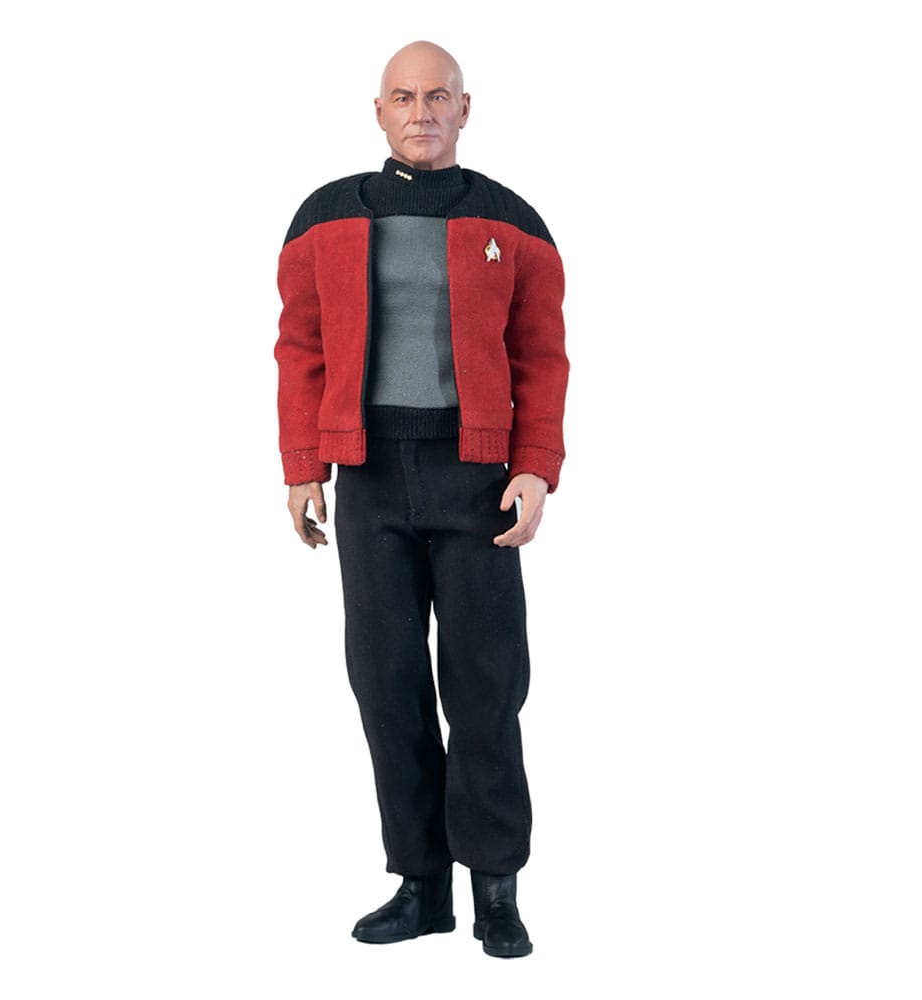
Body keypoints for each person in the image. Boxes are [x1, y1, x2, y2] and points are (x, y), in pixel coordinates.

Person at [275, 40, 568, 959]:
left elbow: (541, 357)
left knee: (485, 684)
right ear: (378, 111)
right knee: (386, 684)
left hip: (475, 478)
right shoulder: (324, 218)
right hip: (366, 478)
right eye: (403, 97)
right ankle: (421, 884)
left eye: (438, 97)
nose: (422, 113)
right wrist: (301, 465)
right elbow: (300, 347)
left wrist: (535, 466)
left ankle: (496, 889)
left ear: (465, 109)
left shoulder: (511, 221)